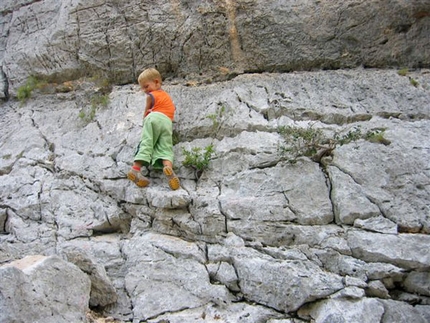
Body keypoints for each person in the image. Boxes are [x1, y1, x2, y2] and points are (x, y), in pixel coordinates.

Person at [127, 68, 180, 190]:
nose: (145, 91)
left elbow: (146, 113)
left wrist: (145, 119)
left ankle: (135, 169)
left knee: (147, 142)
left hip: (153, 118)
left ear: (156, 82)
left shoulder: (150, 96)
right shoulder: (167, 96)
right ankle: (168, 168)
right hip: (167, 122)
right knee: (166, 146)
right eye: (143, 88)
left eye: (146, 86)